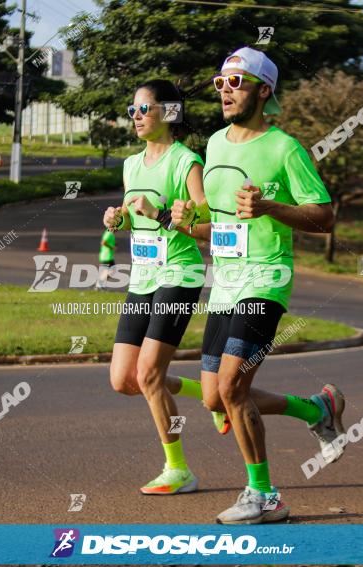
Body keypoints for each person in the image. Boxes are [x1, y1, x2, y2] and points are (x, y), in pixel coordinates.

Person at [172, 47, 347, 524]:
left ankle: (265, 496)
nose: (226, 91)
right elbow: (217, 220)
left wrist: (270, 207)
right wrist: (187, 220)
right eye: (220, 82)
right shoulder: (215, 144)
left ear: (264, 90)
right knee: (215, 397)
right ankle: (317, 410)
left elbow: (324, 217)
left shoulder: (284, 148)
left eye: (237, 82)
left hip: (266, 279)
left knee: (231, 387)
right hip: (225, 282)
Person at [102, 79, 212, 495]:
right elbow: (134, 216)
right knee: (124, 380)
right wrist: (119, 219)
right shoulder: (131, 165)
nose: (136, 118)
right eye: (132, 111)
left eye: (143, 109)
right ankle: (206, 392)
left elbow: (207, 224)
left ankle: (178, 469)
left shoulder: (187, 161)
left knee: (149, 374)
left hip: (180, 273)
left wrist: (163, 213)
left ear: (168, 113)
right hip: (144, 275)